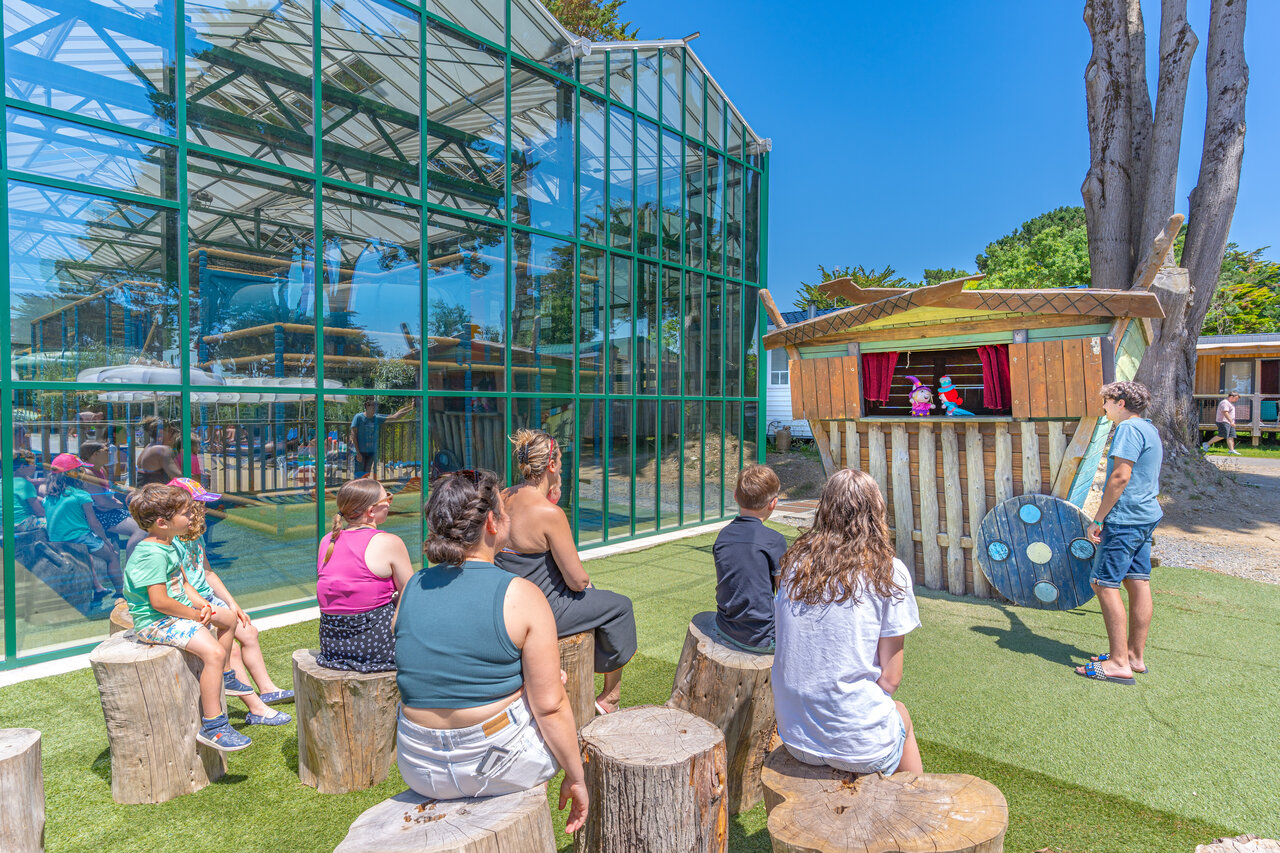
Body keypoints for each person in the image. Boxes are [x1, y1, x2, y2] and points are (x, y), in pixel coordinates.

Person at [393, 468, 588, 833]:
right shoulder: (521, 594)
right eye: (503, 509)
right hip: (498, 762)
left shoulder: (413, 587)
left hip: (417, 764)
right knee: (548, 686)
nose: (509, 515)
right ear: (493, 525)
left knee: (535, 681)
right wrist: (577, 777)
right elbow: (550, 706)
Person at [772, 468, 924, 776]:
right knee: (901, 713)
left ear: (824, 509)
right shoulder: (889, 572)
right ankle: (917, 808)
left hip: (795, 735)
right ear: (875, 512)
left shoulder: (794, 566)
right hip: (858, 746)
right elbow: (891, 679)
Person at [496, 430, 637, 714]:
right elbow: (577, 580)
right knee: (620, 606)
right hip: (543, 609)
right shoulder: (549, 514)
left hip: (505, 600)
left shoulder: (503, 497)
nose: (562, 465)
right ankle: (610, 698)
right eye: (559, 461)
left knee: (595, 595)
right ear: (550, 465)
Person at [123, 484, 251, 751]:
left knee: (227, 619)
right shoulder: (151, 554)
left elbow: (184, 585)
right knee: (214, 653)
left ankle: (226, 675)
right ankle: (214, 725)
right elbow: (159, 602)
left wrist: (204, 605)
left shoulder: (169, 544)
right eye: (185, 513)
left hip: (176, 612)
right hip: (156, 622)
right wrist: (195, 615)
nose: (192, 516)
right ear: (162, 522)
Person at [168, 477, 294, 724]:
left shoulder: (194, 535)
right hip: (193, 604)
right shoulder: (170, 541)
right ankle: (256, 708)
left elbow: (208, 571)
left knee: (249, 631)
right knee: (231, 650)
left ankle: (267, 690)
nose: (204, 509)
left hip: (209, 597)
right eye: (198, 504)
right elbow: (181, 587)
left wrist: (232, 604)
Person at [1078, 381, 1163, 685]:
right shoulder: (1149, 428)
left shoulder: (1127, 429)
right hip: (1146, 515)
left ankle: (1117, 663)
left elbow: (1119, 476)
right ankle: (1133, 657)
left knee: (1103, 583)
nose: (1104, 407)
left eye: (1107, 401)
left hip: (1125, 519)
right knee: (1137, 581)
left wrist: (1098, 519)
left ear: (1121, 402)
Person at [315, 478, 415, 672]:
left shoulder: (327, 541)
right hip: (375, 646)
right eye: (387, 498)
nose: (389, 503)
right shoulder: (388, 542)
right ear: (371, 511)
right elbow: (411, 594)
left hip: (332, 646)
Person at [712, 464, 787, 654]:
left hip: (725, 627)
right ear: (773, 503)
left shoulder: (723, 535)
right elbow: (785, 593)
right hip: (762, 638)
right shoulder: (774, 540)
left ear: (736, 496)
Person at [44, 453, 122, 606]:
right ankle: (121, 592)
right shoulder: (81, 495)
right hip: (79, 538)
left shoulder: (48, 497)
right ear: (74, 474)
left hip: (56, 539)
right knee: (111, 556)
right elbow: (94, 524)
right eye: (80, 470)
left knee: (89, 557)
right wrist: (106, 541)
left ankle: (98, 588)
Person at [77, 441, 146, 560]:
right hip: (98, 514)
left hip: (107, 510)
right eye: (106, 451)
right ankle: (131, 566)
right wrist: (119, 505)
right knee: (141, 529)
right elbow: (101, 502)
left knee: (145, 521)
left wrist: (133, 492)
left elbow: (109, 488)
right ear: (94, 454)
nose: (110, 453)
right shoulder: (88, 473)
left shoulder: (100, 469)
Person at [349, 399, 414, 478]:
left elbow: (395, 416)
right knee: (358, 476)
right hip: (360, 452)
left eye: (376, 406)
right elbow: (353, 434)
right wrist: (358, 453)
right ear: (367, 406)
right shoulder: (358, 417)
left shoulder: (376, 418)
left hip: (371, 452)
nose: (375, 408)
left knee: (366, 475)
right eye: (373, 406)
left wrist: (411, 407)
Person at [135, 416, 182, 487]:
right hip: (155, 496)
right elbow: (180, 478)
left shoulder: (148, 447)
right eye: (171, 431)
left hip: (145, 495)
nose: (174, 434)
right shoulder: (163, 450)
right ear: (161, 433)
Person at [11, 451, 45, 532]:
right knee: (51, 522)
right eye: (33, 463)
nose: (35, 466)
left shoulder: (3, 481)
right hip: (20, 523)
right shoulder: (25, 484)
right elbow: (39, 512)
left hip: (3, 524)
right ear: (22, 466)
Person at [1202, 391, 1242, 455]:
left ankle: (1231, 450)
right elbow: (1225, 412)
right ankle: (1206, 444)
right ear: (1231, 397)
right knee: (1223, 435)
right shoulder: (1225, 402)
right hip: (1223, 421)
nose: (1236, 400)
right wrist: (1231, 421)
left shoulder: (1230, 403)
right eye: (1236, 398)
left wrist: (1231, 422)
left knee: (1231, 436)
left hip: (1230, 422)